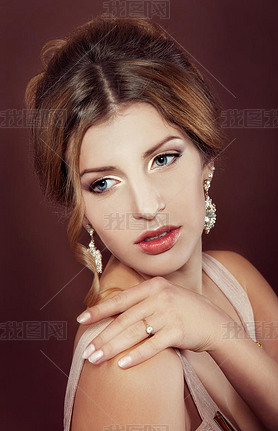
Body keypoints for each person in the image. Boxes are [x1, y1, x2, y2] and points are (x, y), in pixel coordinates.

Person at [25, 13, 278, 431]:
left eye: (163, 159)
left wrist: (216, 332)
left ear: (206, 159)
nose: (145, 206)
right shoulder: (131, 360)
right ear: (81, 208)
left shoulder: (236, 280)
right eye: (104, 183)